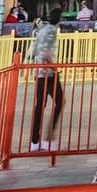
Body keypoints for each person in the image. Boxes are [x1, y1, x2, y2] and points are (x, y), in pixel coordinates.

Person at [30, 8, 65, 151]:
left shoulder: (43, 30)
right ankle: (48, 138)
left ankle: (35, 141)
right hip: (49, 74)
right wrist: (55, 68)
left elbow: (35, 50)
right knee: (60, 102)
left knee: (40, 106)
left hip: (39, 72)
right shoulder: (51, 31)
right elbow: (46, 53)